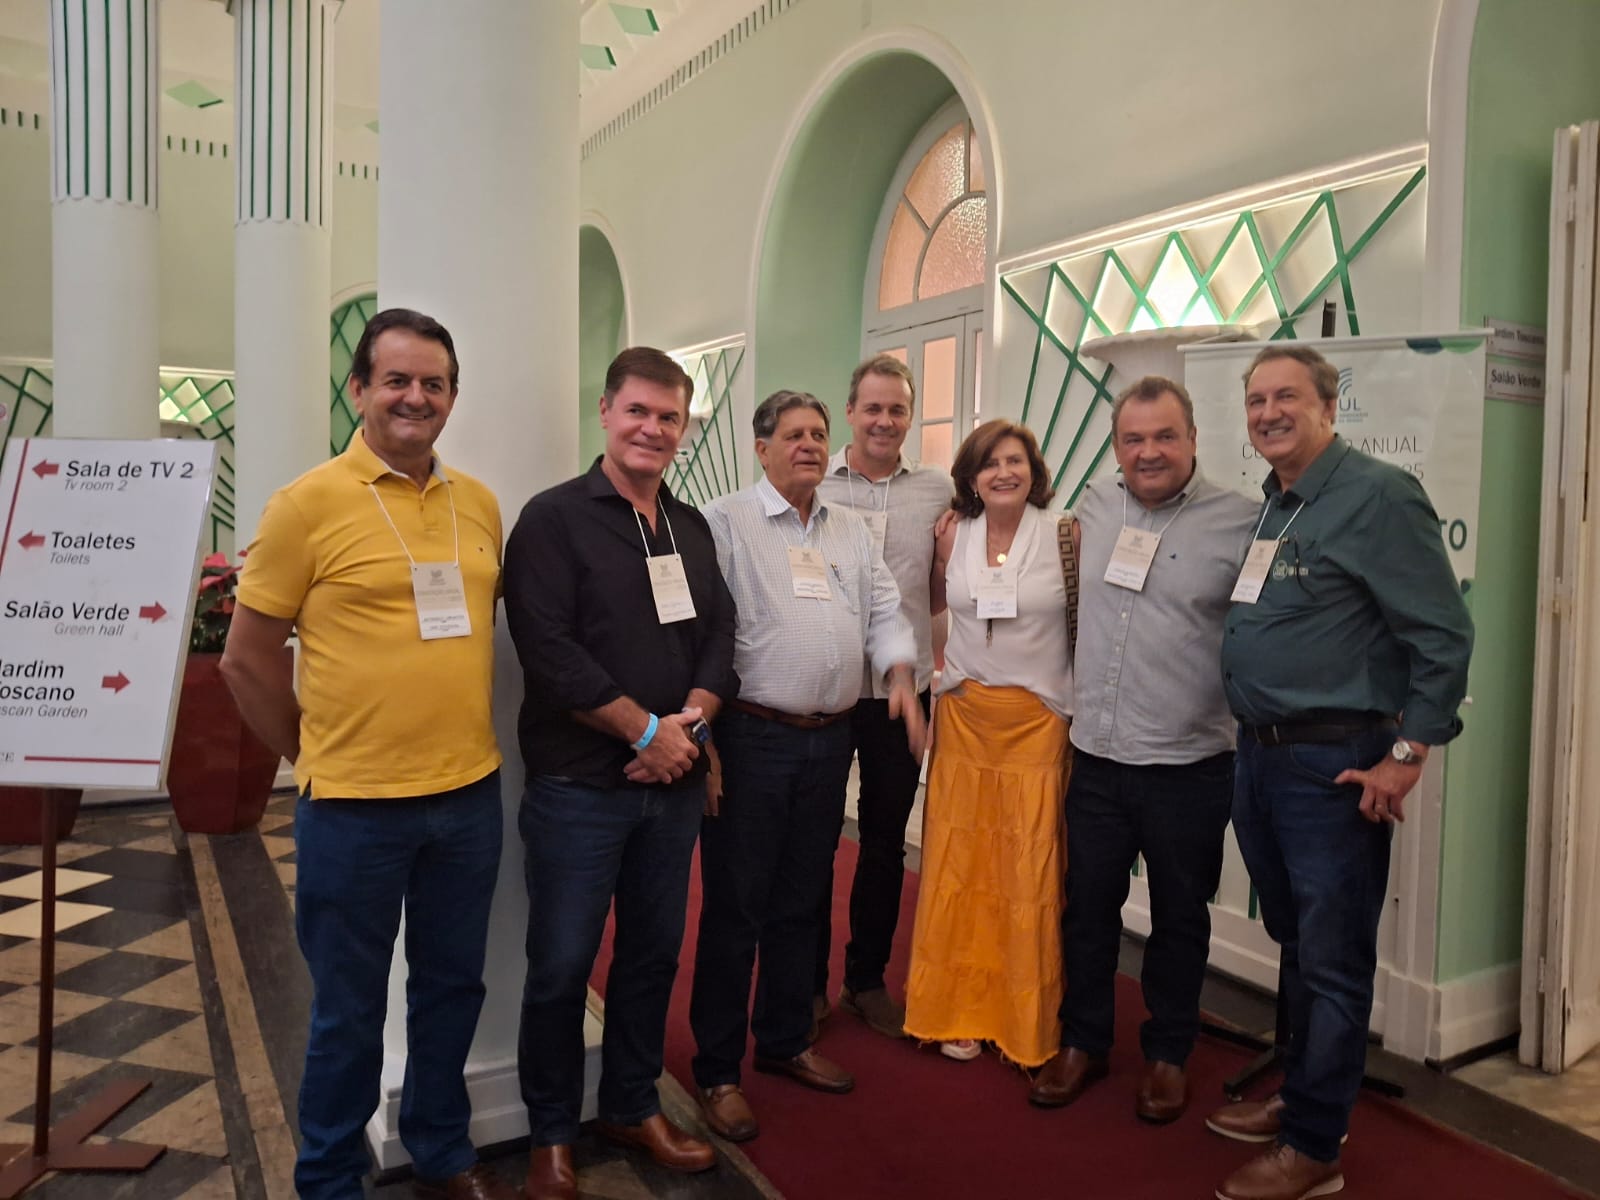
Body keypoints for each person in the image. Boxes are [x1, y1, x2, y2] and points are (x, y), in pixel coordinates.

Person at [221, 308, 517, 1200]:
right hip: (353, 808)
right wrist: (313, 752)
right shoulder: (305, 505)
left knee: (452, 989)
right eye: (396, 380)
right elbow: (244, 660)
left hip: (467, 796)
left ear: (453, 396)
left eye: (434, 383)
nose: (415, 397)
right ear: (359, 389)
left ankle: (440, 1147)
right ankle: (328, 1179)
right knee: (348, 1011)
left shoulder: (479, 504)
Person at [1211, 345, 1473, 1200]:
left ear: (1330, 406)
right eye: (1256, 400)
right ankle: (1301, 1095)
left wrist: (1407, 755)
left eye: (1286, 396)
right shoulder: (1277, 502)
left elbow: (1443, 637)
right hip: (1262, 755)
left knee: (1332, 957)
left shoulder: (1379, 496)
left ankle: (1315, 1145)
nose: (1268, 413)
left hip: (1333, 763)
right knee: (1299, 939)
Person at [503, 348, 738, 1199]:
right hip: (578, 790)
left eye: (669, 417)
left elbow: (721, 635)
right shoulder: (552, 520)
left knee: (651, 957)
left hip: (671, 791)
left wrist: (691, 725)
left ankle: (632, 1105)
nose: (653, 429)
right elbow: (548, 651)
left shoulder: (690, 526)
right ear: (605, 411)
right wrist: (645, 730)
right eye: (638, 410)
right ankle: (551, 1132)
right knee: (563, 966)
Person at [689, 390, 923, 1143]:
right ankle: (718, 1070)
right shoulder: (724, 522)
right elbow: (700, 632)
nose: (809, 446)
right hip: (751, 740)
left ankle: (786, 1039)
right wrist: (704, 740)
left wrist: (898, 674)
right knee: (737, 908)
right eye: (793, 435)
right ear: (761, 449)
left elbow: (884, 609)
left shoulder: (848, 528)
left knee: (802, 899)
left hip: (831, 741)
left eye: (818, 434)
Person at [1028, 377, 1256, 1121]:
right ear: (1116, 446)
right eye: (1134, 439)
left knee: (1180, 918)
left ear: (1192, 439)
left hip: (1189, 764)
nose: (1148, 452)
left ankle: (1168, 1053)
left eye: (1164, 436)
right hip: (1096, 757)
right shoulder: (1094, 505)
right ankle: (1083, 1042)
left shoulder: (1242, 522)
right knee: (1087, 909)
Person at [903, 419, 1072, 1069]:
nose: (1004, 472)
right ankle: (956, 1007)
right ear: (971, 478)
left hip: (1038, 721)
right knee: (962, 866)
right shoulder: (953, 534)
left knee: (1027, 870)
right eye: (990, 463)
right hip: (966, 716)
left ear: (1034, 471)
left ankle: (1020, 1018)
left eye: (1015, 461)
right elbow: (932, 609)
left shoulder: (1066, 534)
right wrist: (924, 674)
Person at [813, 354, 953, 1039]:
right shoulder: (814, 482)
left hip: (904, 694)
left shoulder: (938, 490)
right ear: (850, 412)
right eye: (872, 408)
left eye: (897, 409)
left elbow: (945, 588)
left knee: (885, 843)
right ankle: (804, 985)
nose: (884, 420)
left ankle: (865, 980)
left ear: (910, 415)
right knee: (813, 841)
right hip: (829, 690)